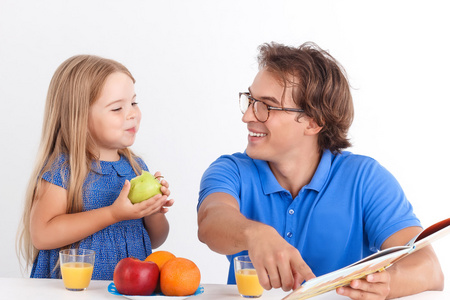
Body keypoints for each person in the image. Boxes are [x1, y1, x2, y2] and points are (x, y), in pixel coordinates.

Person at [197, 42, 444, 299]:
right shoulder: (231, 170)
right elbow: (210, 221)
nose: (247, 116)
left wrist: (388, 283)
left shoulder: (365, 179)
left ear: (313, 121)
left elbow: (430, 269)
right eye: (250, 100)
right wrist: (255, 234)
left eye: (266, 106)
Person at [17, 55, 174, 280]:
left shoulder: (136, 168)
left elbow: (155, 240)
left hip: (127, 289)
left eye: (133, 102)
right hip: (74, 290)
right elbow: (42, 234)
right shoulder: (64, 169)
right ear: (79, 117)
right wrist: (113, 214)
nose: (132, 113)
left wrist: (154, 212)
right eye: (117, 108)